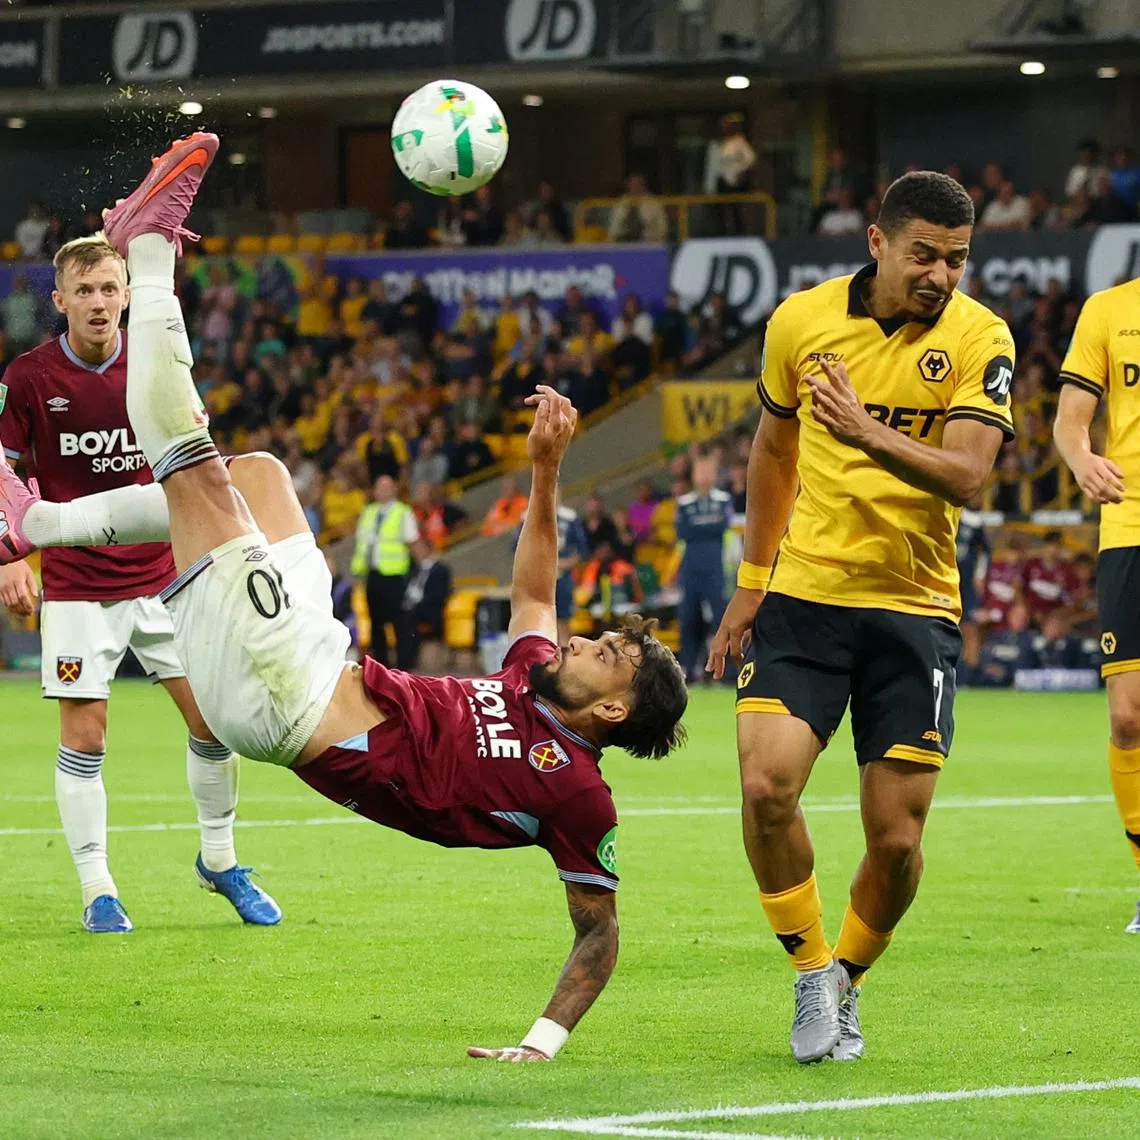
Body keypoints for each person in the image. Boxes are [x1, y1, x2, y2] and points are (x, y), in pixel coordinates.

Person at [0, 137, 689, 1060]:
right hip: (323, 652)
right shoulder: (532, 677)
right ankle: (40, 526)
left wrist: (540, 1043)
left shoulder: (580, 797)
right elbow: (536, 584)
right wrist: (546, 469)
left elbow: (599, 933)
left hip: (288, 701)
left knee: (197, 472)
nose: (584, 642)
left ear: (614, 708)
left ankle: (149, 252)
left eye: (608, 654)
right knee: (265, 474)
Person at [707, 171, 1015, 1063]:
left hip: (914, 611)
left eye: (956, 259)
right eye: (924, 255)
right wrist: (753, 579)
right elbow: (773, 445)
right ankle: (811, 973)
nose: (941, 275)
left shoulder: (978, 337)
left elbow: (967, 474)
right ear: (876, 243)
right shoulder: (800, 322)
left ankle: (850, 977)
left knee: (898, 843)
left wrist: (863, 428)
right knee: (766, 789)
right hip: (806, 596)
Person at [0, 219, 281, 933]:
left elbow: (194, 463)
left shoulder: (158, 366)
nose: (97, 300)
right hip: (74, 584)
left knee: (215, 722)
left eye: (109, 287)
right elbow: (5, 471)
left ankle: (219, 862)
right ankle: (99, 889)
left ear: (128, 295)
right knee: (85, 738)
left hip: (167, 575)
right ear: (59, 300)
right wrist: (13, 559)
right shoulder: (28, 378)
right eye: (83, 290)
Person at [1053, 273, 1140, 934]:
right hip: (1129, 528)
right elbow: (1070, 421)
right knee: (1129, 719)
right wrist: (1081, 459)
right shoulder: (1109, 310)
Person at [675, 455, 733, 683]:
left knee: (722, 619)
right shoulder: (684, 503)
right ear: (694, 475)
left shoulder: (723, 500)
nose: (705, 476)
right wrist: (709, 525)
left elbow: (723, 525)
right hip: (691, 570)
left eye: (709, 471)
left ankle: (727, 673)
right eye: (701, 471)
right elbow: (684, 532)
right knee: (689, 621)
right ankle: (689, 671)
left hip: (716, 570)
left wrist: (702, 526)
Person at [351, 474, 418, 670]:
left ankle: (403, 668)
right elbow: (361, 542)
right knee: (376, 622)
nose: (383, 491)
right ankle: (381, 667)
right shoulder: (369, 512)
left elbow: (412, 541)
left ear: (394, 490)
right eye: (379, 487)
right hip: (373, 574)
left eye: (387, 487)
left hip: (395, 576)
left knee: (399, 624)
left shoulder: (402, 512)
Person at [403, 537, 453, 669]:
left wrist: (417, 605)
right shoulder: (411, 569)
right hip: (408, 606)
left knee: (409, 617)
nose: (415, 551)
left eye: (419, 548)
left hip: (428, 609)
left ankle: (408, 663)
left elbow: (439, 595)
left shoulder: (440, 570)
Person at [607, 174, 667, 244]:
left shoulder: (654, 203)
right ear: (628, 185)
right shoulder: (621, 202)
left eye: (638, 184)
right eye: (632, 184)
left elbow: (662, 227)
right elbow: (613, 225)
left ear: (643, 185)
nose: (635, 187)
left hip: (647, 242)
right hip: (622, 242)